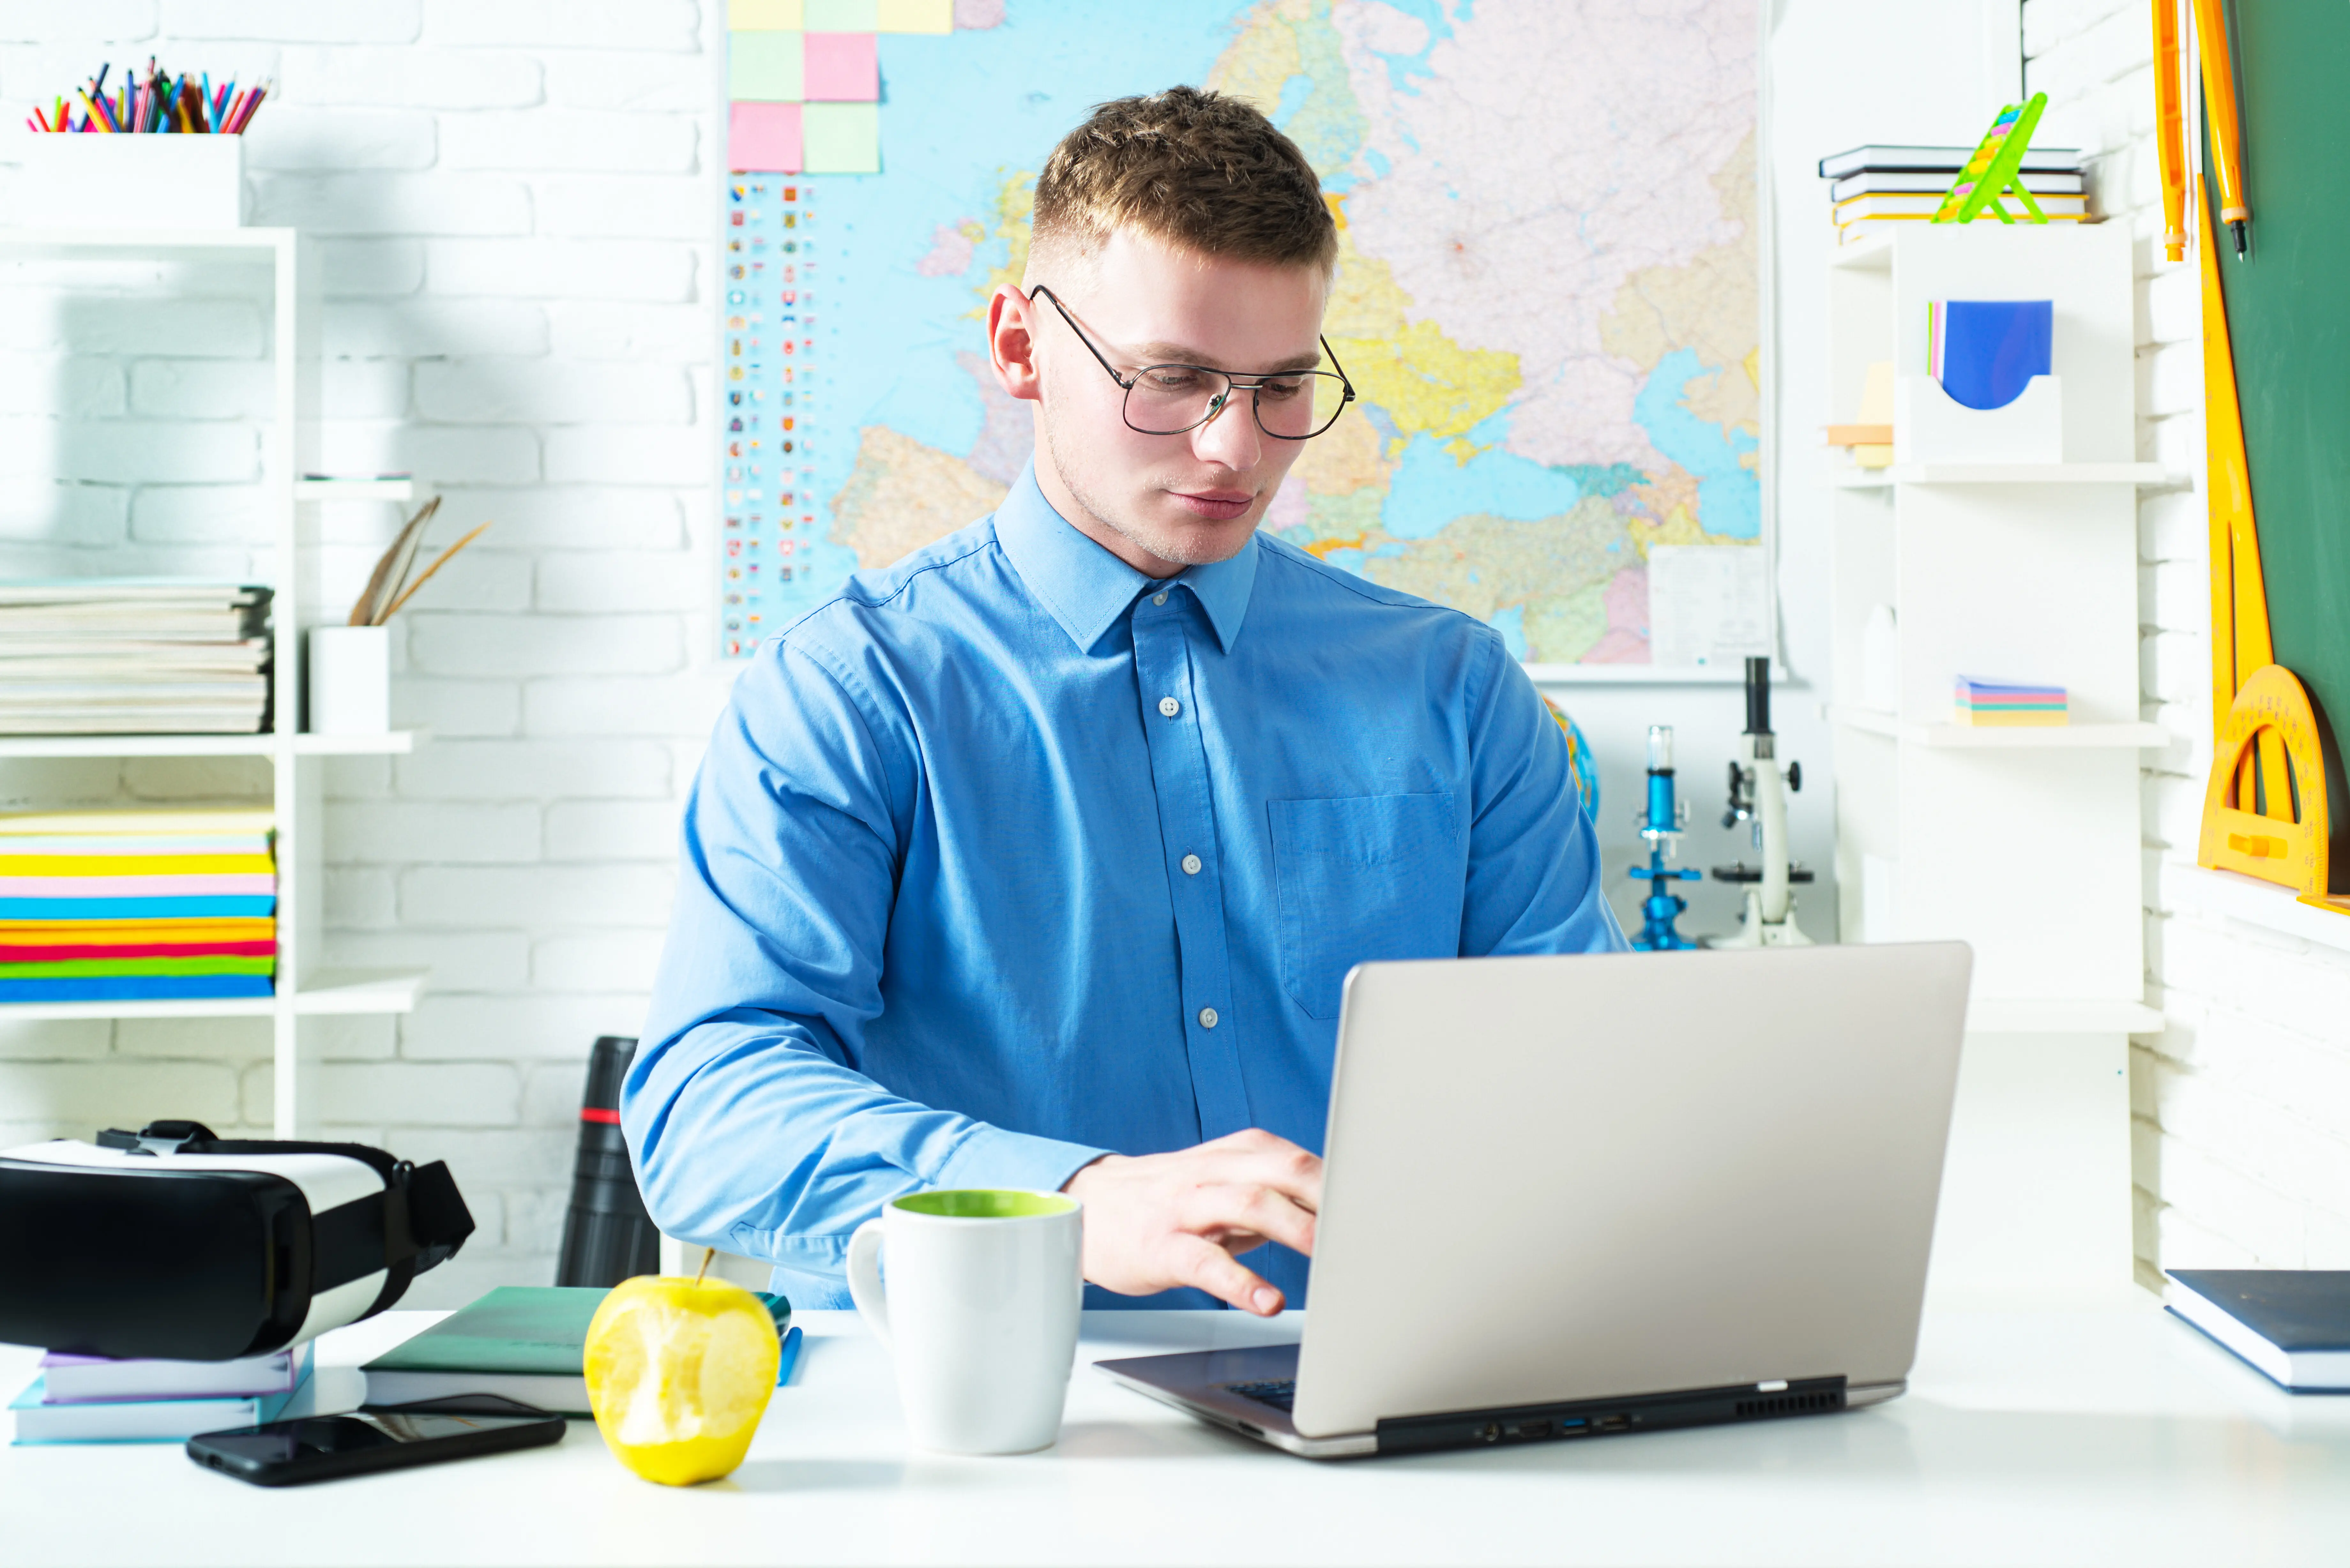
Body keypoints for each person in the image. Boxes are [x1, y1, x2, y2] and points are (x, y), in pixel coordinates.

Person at [625, 86, 1625, 1317]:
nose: (1234, 450)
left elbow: (1583, 1077)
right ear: (1018, 347)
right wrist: (1066, 1199)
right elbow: (707, 1106)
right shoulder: (852, 690)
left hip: (1376, 1392)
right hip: (991, 1422)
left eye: (1281, 387)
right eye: (1172, 380)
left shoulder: (1453, 690)